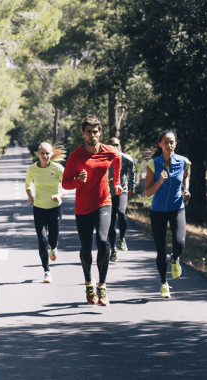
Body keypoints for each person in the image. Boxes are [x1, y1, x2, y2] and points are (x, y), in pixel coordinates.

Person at [62, 115, 123, 306]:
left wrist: (117, 182)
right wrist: (78, 181)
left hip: (104, 202)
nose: (92, 136)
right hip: (83, 208)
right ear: (83, 133)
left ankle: (102, 286)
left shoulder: (108, 151)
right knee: (86, 247)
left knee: (103, 242)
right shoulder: (76, 156)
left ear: (100, 132)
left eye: (95, 132)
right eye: (88, 132)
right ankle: (89, 282)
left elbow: (117, 158)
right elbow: (65, 183)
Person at [144, 130, 191, 299]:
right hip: (158, 211)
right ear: (160, 144)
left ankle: (175, 259)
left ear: (175, 144)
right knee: (161, 250)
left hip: (177, 207)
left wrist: (186, 189)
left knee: (179, 243)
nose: (169, 145)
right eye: (165, 142)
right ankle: (164, 283)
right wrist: (160, 181)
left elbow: (186, 175)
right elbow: (148, 192)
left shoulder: (183, 162)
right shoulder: (153, 164)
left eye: (172, 142)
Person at [25, 142, 66, 283]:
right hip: (39, 208)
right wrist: (30, 196)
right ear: (38, 154)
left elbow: (66, 186)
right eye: (42, 153)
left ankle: (53, 247)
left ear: (51, 154)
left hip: (55, 207)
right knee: (42, 239)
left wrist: (59, 196)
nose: (45, 156)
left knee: (53, 239)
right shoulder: (32, 169)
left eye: (47, 153)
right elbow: (28, 185)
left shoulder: (58, 168)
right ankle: (46, 271)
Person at [107, 137, 136, 262]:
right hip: (108, 193)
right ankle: (113, 248)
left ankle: (122, 238)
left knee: (121, 212)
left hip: (122, 190)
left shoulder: (126, 158)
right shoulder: (103, 158)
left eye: (116, 144)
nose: (114, 146)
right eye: (111, 144)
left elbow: (132, 171)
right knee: (110, 220)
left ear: (119, 146)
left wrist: (132, 187)